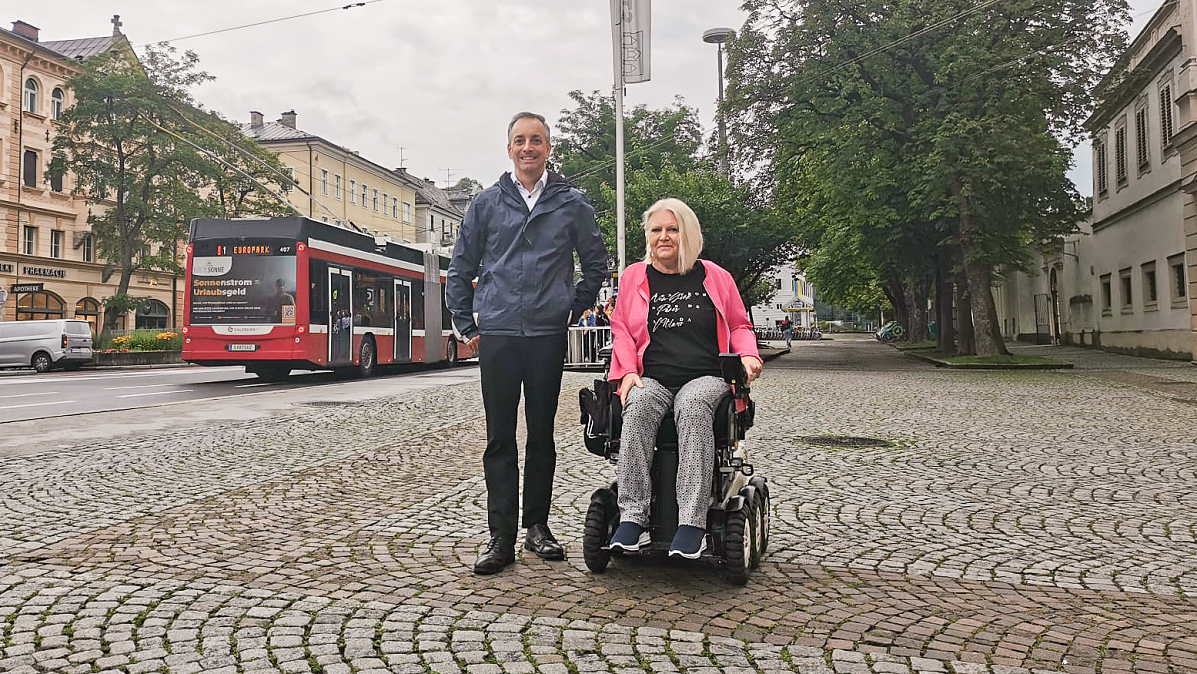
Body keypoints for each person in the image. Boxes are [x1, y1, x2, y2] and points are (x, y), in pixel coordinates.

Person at [446, 111, 607, 575]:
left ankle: (537, 527)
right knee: (500, 438)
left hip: (545, 333)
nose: (528, 148)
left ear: (548, 148)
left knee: (541, 435)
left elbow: (596, 264)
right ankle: (500, 537)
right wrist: (466, 322)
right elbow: (461, 266)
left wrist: (569, 306)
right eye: (520, 140)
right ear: (509, 148)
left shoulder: (571, 203)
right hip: (497, 332)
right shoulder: (485, 204)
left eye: (537, 140)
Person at [606, 198, 763, 559]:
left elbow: (738, 324)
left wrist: (749, 353)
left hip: (705, 376)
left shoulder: (715, 276)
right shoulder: (634, 276)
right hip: (653, 376)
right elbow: (622, 330)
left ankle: (691, 523)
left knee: (692, 405)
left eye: (672, 229)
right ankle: (632, 515)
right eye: (657, 230)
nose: (663, 237)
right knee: (639, 405)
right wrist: (628, 371)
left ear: (688, 234)